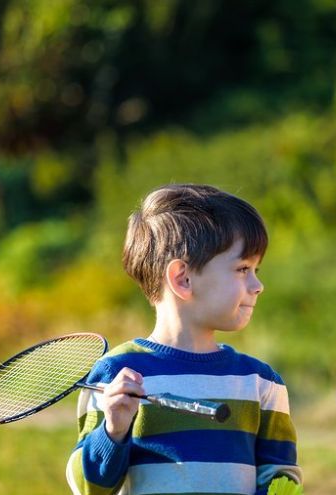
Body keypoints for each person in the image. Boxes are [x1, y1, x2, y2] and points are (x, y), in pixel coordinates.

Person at [67, 184, 301, 495]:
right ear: (183, 278)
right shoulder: (114, 376)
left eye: (256, 269)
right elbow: (89, 489)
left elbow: (282, 477)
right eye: (243, 268)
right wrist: (113, 430)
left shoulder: (261, 382)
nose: (258, 285)